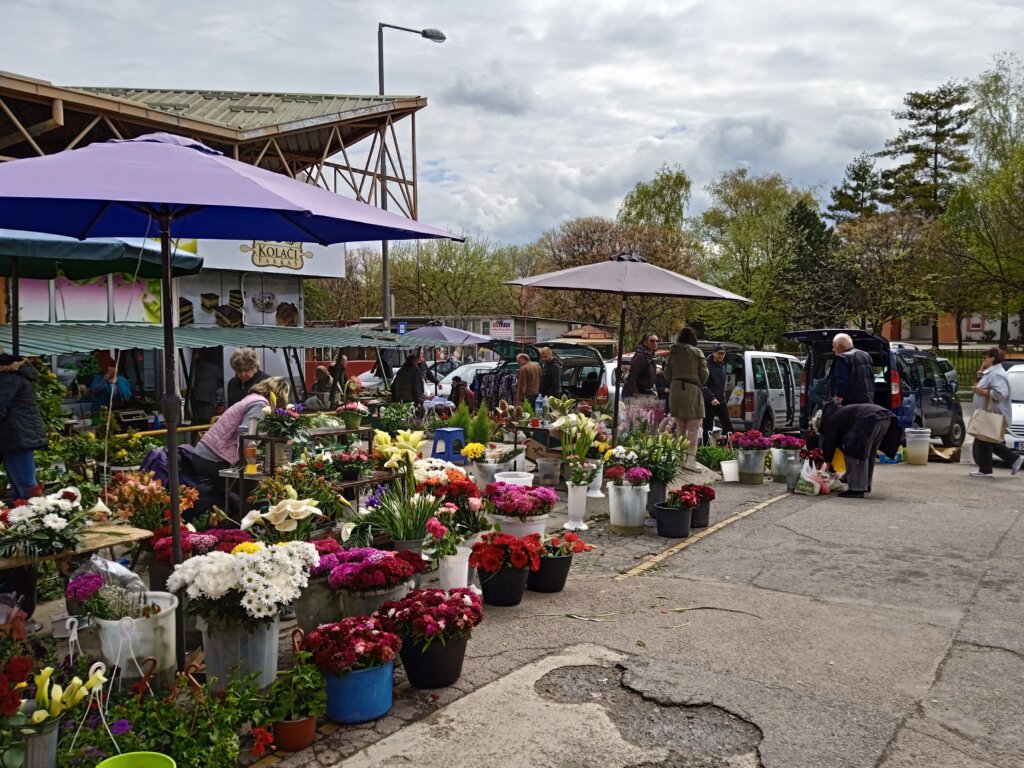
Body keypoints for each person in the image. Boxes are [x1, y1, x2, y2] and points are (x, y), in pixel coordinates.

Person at [192, 376, 291, 486]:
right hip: (213, 458)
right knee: (253, 488)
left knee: (225, 494)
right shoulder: (260, 404)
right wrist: (251, 464)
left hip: (204, 454)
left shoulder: (252, 398)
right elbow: (247, 436)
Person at [819, 399, 901, 497]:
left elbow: (830, 442)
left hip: (869, 420)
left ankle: (856, 490)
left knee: (854, 450)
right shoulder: (841, 413)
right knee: (868, 454)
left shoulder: (831, 420)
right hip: (885, 418)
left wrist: (827, 463)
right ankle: (865, 485)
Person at [969, 347, 1023, 478]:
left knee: (984, 439)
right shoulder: (991, 372)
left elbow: (1000, 394)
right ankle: (990, 467)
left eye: (985, 357)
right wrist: (981, 373)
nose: (983, 359)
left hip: (991, 412)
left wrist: (981, 391)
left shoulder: (997, 374)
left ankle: (992, 467)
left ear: (993, 357)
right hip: (985, 412)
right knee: (984, 439)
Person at [0, 352, 47, 500]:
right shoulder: (13, 376)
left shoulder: (9, 378)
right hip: (16, 436)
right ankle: (21, 519)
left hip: (15, 437)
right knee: (19, 489)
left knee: (27, 489)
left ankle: (37, 519)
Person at [664, 328, 708, 471]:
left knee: (680, 427)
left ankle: (680, 457)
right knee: (693, 428)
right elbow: (704, 373)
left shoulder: (673, 352)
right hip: (692, 390)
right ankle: (690, 459)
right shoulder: (697, 352)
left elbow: (667, 374)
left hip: (676, 390)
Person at [829, 333, 874, 405]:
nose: (833, 349)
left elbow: (842, 381)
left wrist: (837, 400)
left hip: (850, 404)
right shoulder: (866, 355)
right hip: (867, 402)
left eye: (834, 346)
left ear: (839, 346)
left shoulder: (842, 358)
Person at [702, 344, 734, 444]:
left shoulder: (722, 365)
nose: (721, 356)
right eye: (719, 353)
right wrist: (711, 398)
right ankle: (705, 448)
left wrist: (723, 397)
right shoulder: (707, 366)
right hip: (709, 401)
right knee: (708, 426)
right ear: (713, 354)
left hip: (721, 400)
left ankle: (729, 446)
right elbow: (703, 385)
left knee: (728, 425)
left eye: (722, 354)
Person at [190, 348, 222, 424]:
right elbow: (220, 378)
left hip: (198, 395)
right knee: (208, 419)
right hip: (210, 396)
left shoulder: (197, 367)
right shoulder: (215, 368)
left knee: (200, 418)